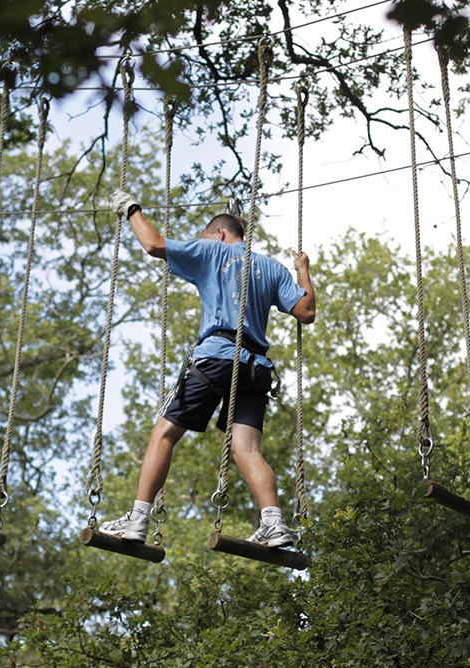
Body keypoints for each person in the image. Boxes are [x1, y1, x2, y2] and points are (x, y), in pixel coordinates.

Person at [98, 186, 317, 547]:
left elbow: (154, 245)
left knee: (164, 434)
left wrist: (131, 209)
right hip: (256, 369)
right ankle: (274, 522)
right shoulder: (272, 267)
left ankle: (137, 520)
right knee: (247, 448)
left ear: (218, 233)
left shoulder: (212, 249)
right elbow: (306, 312)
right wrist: (303, 270)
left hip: (216, 358)